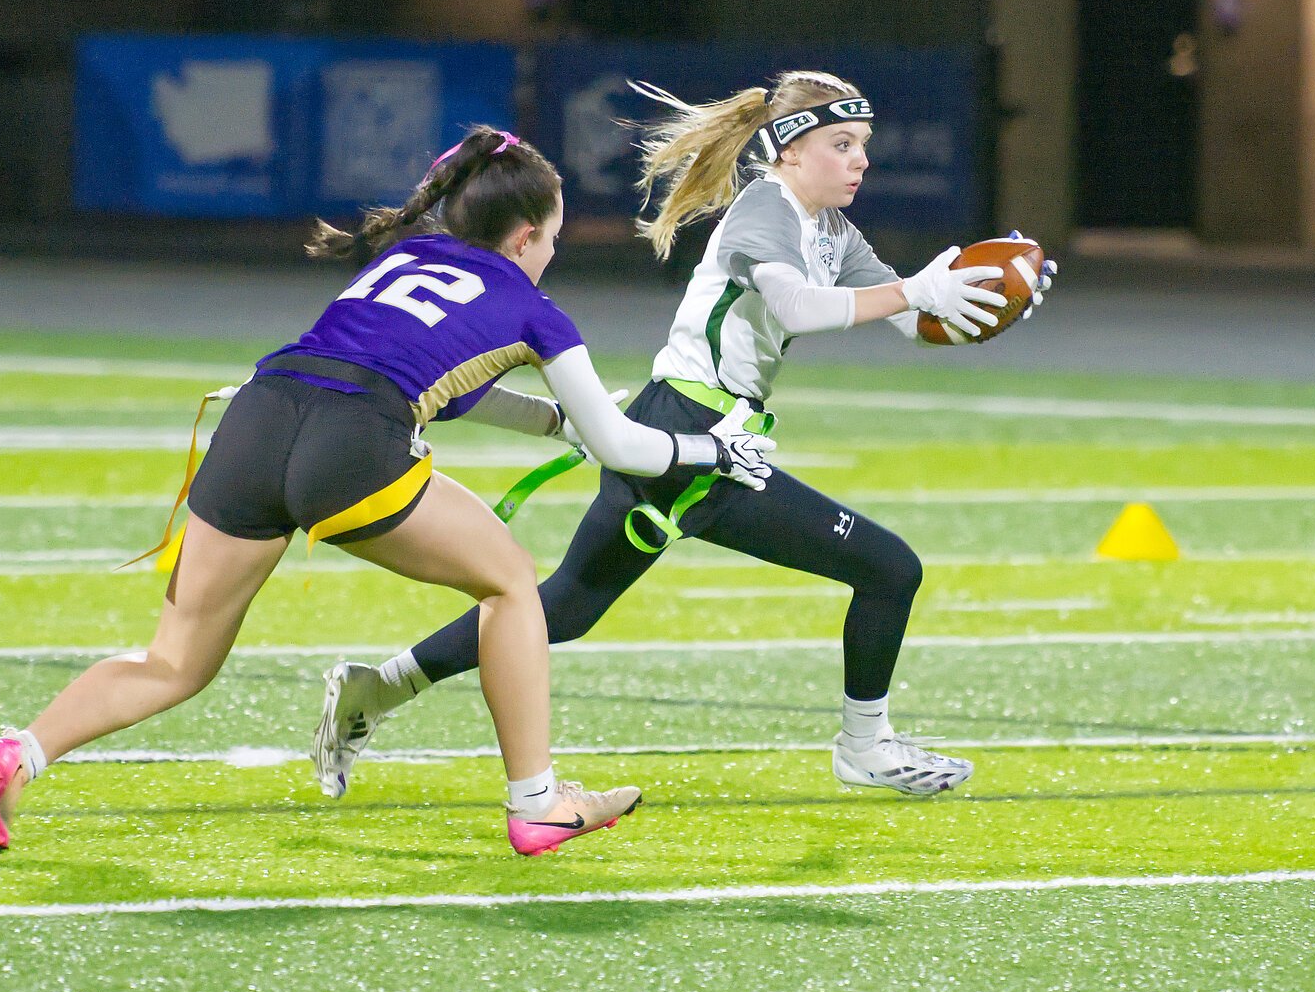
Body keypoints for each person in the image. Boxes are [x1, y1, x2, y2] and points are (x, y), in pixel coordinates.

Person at [0, 127, 776, 856]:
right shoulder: (533, 307)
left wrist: (552, 423)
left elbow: (444, 380)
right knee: (511, 585)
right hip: (349, 443)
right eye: (553, 239)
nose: (552, 254)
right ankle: (537, 804)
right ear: (526, 235)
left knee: (173, 661)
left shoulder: (404, 259)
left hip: (257, 418)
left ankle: (18, 755)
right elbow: (622, 445)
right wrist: (711, 448)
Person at [315, 70, 1052, 798]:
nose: (861, 159)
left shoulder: (830, 229)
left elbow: (910, 319)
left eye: (863, 143)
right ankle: (864, 746)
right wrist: (914, 289)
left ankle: (378, 688)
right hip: (694, 435)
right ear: (791, 150)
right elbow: (798, 308)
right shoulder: (766, 208)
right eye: (842, 143)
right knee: (890, 569)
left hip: (679, 423)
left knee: (566, 606)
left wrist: (984, 300)